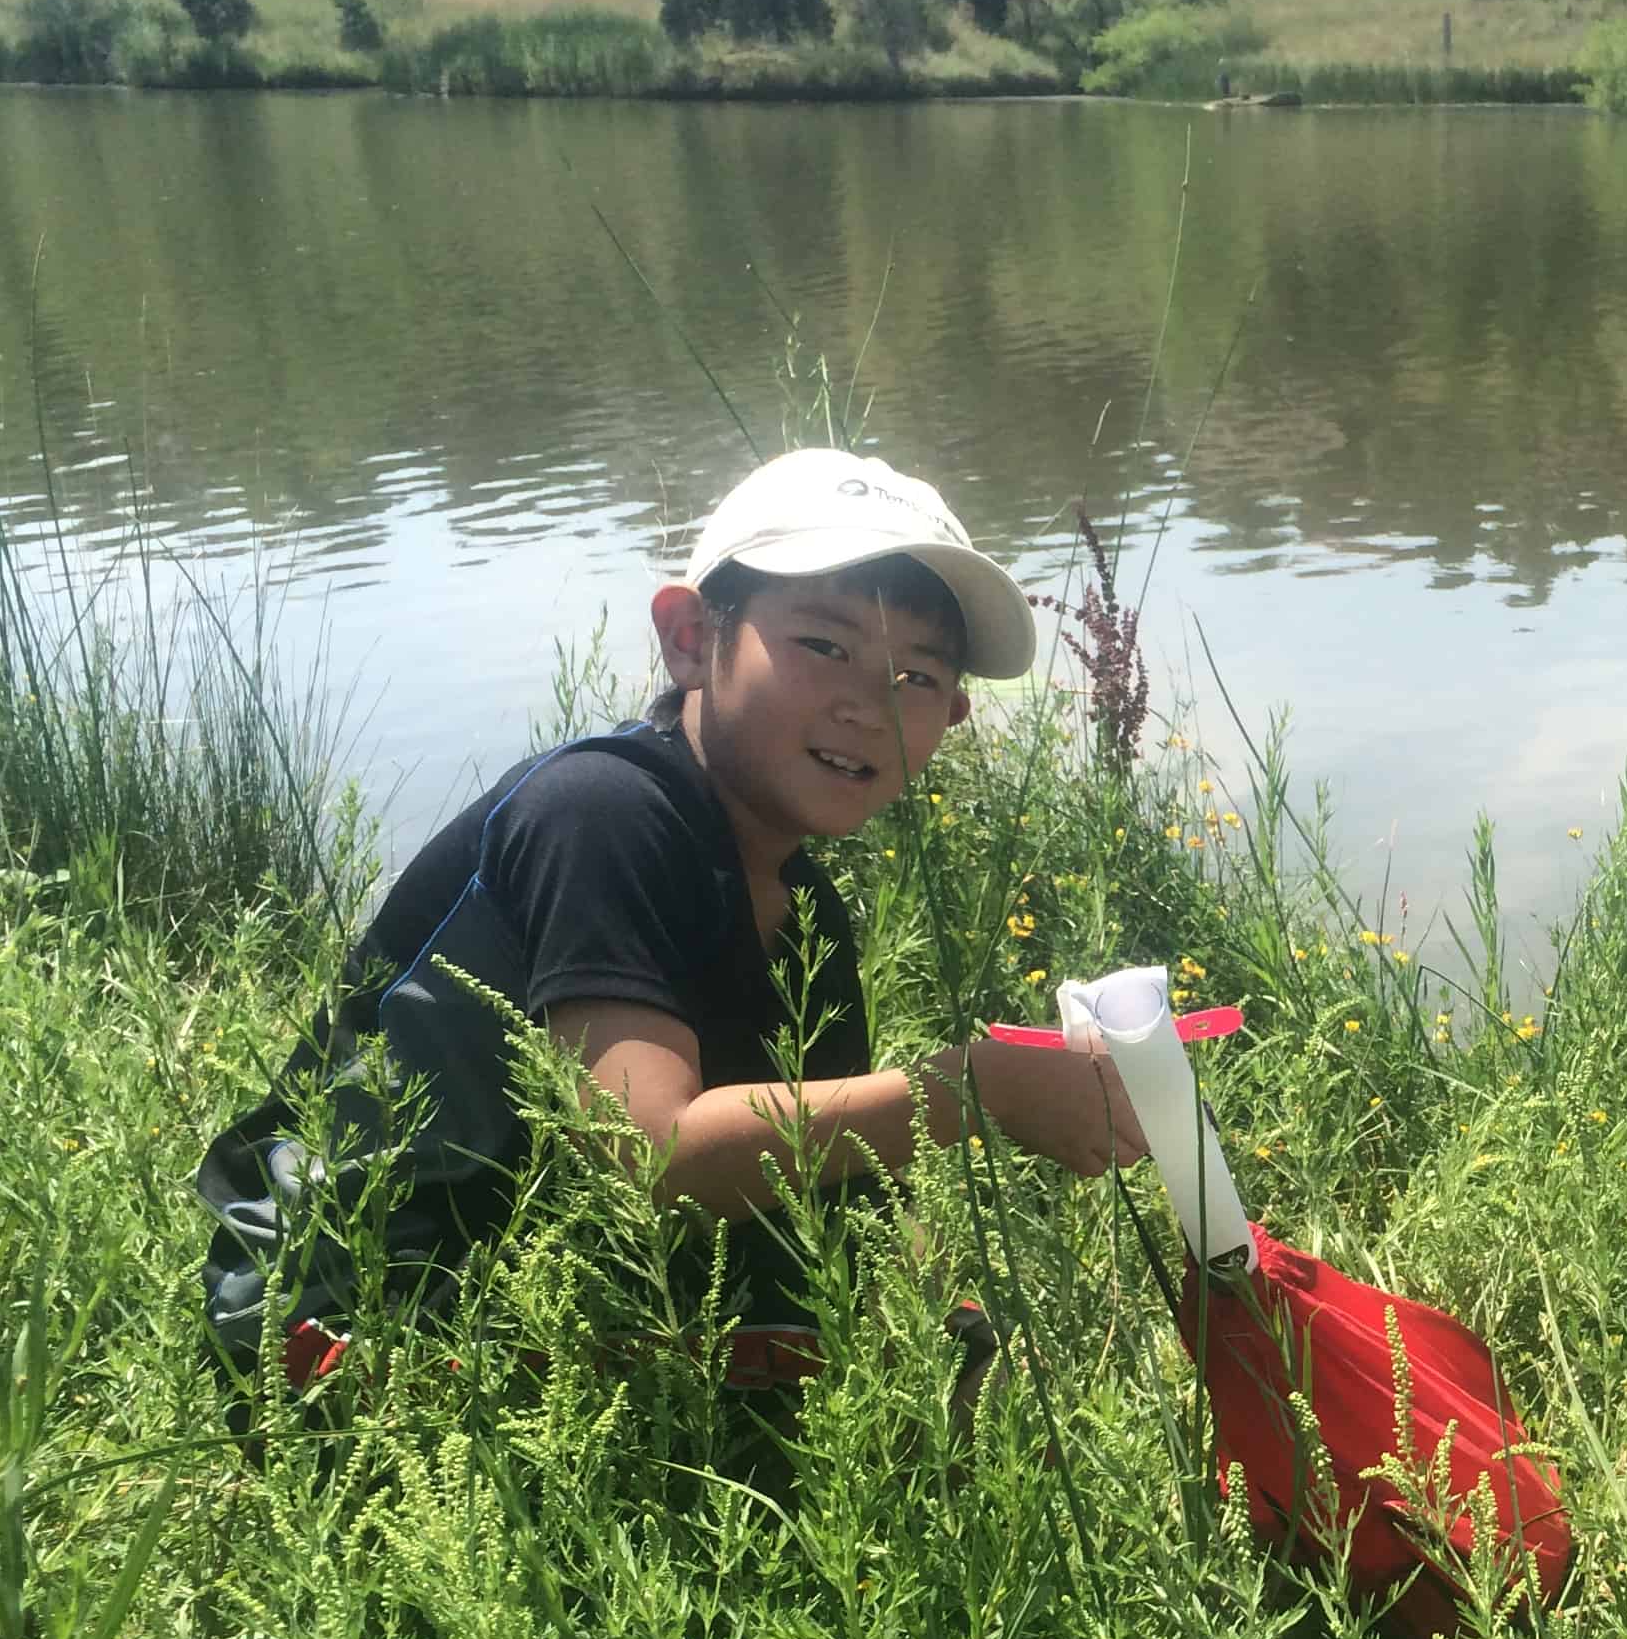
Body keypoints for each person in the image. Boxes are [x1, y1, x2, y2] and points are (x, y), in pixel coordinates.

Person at [198, 447, 1147, 1401]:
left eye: (918, 679)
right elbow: (652, 1158)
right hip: (341, 1312)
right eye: (825, 646)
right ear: (691, 637)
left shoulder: (807, 909)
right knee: (811, 1366)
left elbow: (832, 1178)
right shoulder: (599, 814)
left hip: (528, 1271)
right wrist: (977, 1091)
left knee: (918, 1351)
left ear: (956, 716)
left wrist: (937, 1308)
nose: (869, 706)